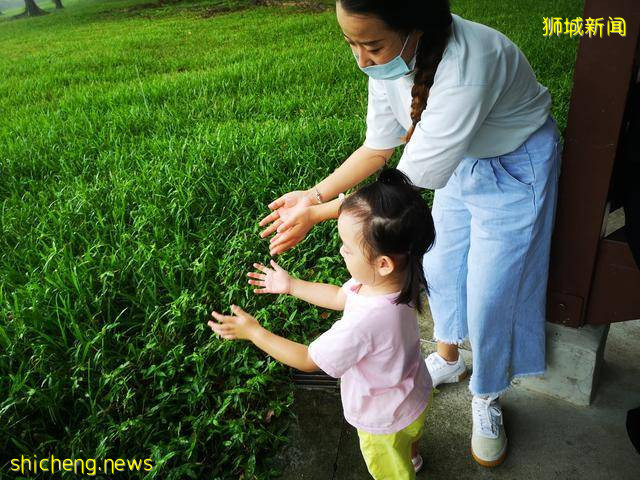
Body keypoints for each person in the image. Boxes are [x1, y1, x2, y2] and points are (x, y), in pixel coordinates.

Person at [258, 0, 563, 467]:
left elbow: (401, 190)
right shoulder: (388, 64)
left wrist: (322, 214)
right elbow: (378, 146)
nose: (361, 59)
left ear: (414, 27)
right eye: (351, 43)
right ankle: (449, 357)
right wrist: (313, 195)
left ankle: (487, 394)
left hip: (515, 164)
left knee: (492, 293)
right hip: (461, 161)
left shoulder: (468, 67)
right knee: (439, 265)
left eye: (372, 45)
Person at [208, 169, 436, 479]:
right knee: (409, 438)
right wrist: (291, 285)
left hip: (383, 419)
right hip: (414, 393)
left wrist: (254, 332)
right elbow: (341, 297)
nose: (341, 250)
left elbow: (306, 359)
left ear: (383, 263)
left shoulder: (364, 323)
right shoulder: (398, 279)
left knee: (391, 469)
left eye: (347, 247)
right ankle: (412, 456)